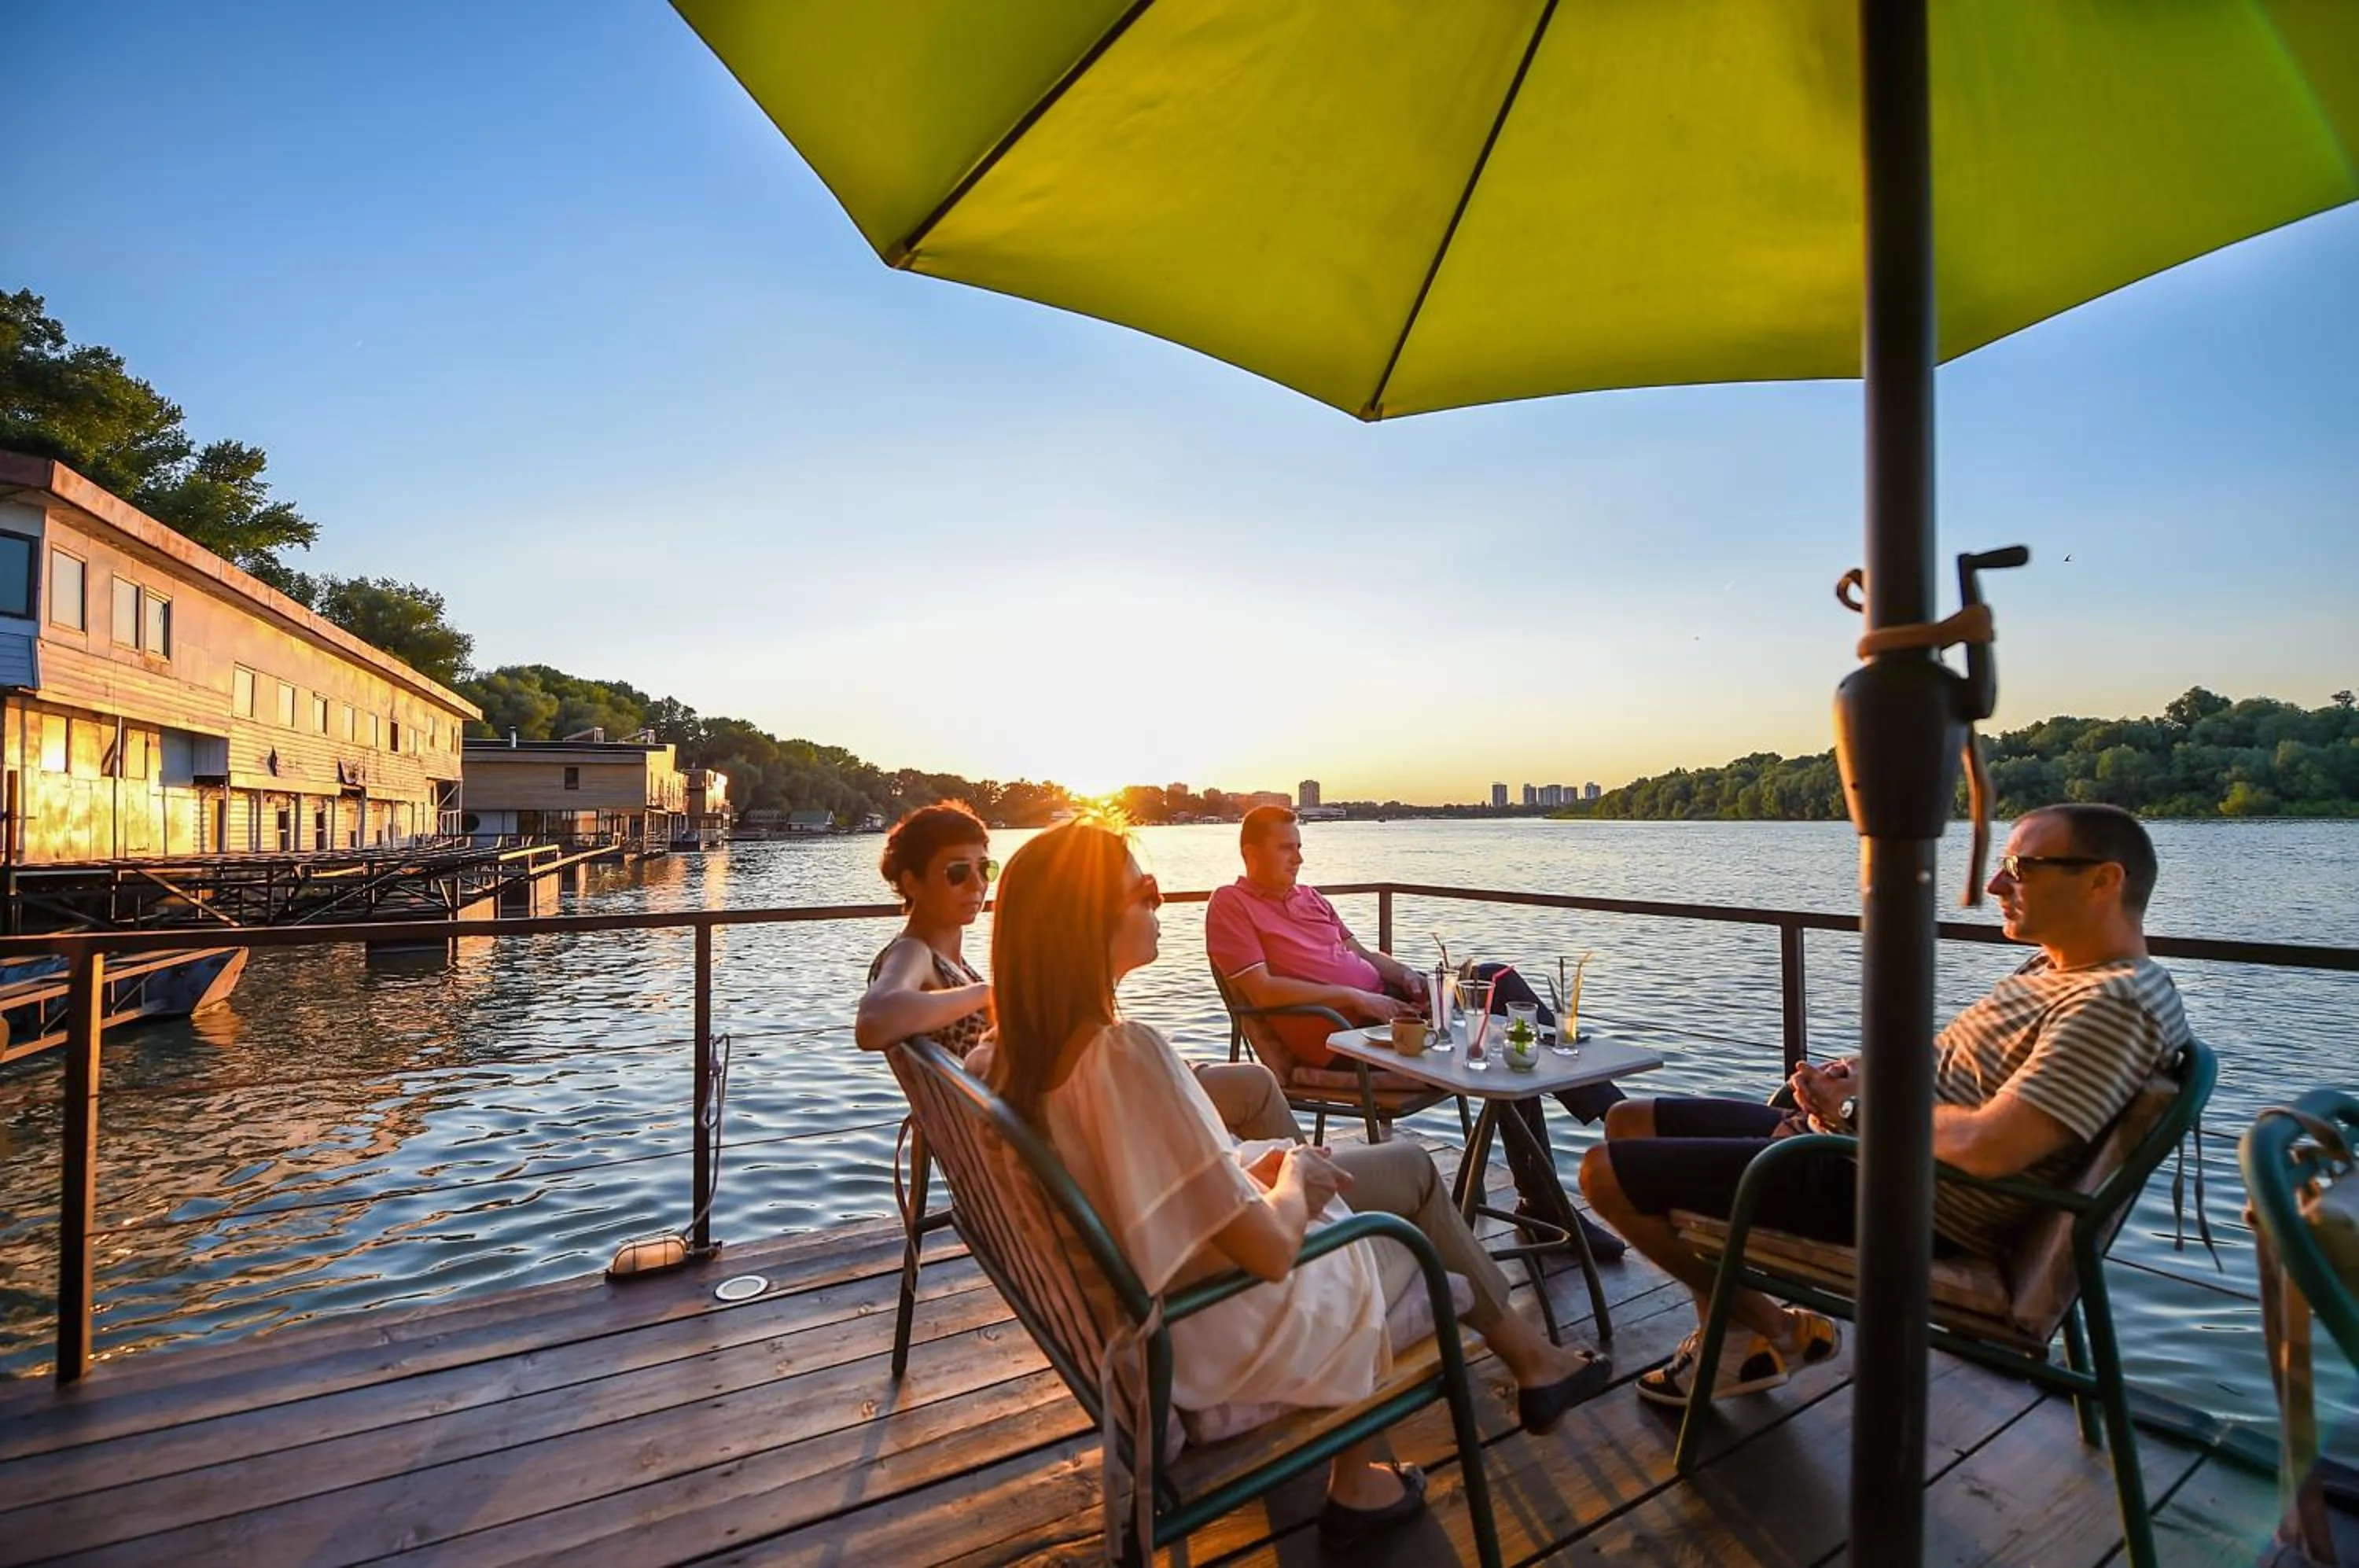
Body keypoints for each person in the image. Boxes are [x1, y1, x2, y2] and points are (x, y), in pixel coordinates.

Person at [986, 821, 1610, 1548]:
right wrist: (1298, 1183)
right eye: (1146, 893)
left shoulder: (1014, 1060)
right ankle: (1502, 1384)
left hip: (1161, 1320)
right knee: (1416, 1236)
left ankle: (1381, 1465)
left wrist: (1253, 1172)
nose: (1160, 906)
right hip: (1219, 1338)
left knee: (1400, 1165)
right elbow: (1269, 1252)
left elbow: (1156, 1200)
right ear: (1083, 922)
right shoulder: (1125, 1055)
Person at [1579, 803, 2194, 1408]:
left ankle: (1779, 1330)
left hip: (1905, 1201)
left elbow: (1993, 1145)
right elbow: (1937, 1063)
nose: (1994, 882)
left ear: (2103, 880)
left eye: (2021, 866)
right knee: (1629, 1120)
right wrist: (1851, 1079)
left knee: (1604, 1175)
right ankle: (1739, 1345)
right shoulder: (2055, 971)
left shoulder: (2113, 1004)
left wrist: (1855, 1117)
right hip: (1865, 1154)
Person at [1205, 804, 1628, 1259]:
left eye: (1300, 848)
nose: (1299, 859)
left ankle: (1602, 1135)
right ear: (1250, 852)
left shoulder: (1311, 896)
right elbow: (1262, 990)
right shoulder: (1231, 905)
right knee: (1498, 1038)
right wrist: (1358, 1000)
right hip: (1342, 1037)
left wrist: (1410, 978)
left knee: (1494, 982)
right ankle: (1604, 1146)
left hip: (1386, 1012)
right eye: (1287, 848)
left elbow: (1363, 954)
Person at [855, 801, 996, 1058]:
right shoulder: (913, 951)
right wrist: (984, 993)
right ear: (912, 883)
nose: (977, 884)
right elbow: (873, 1020)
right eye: (958, 872)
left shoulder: (946, 960)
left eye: (986, 869)